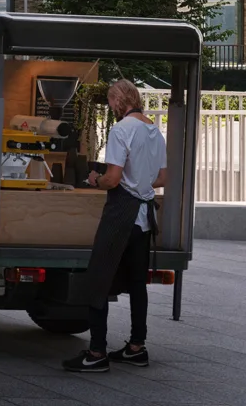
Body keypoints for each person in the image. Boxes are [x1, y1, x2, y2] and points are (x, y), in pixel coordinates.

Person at [66, 78, 169, 373]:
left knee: (98, 278)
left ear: (120, 101)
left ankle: (96, 352)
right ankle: (137, 347)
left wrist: (95, 180)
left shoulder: (122, 129)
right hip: (145, 218)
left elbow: (112, 178)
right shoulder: (154, 130)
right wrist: (139, 184)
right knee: (138, 283)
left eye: (112, 102)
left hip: (121, 213)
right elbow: (162, 178)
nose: (111, 107)